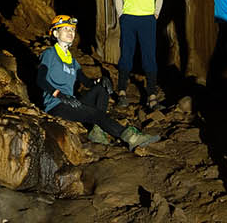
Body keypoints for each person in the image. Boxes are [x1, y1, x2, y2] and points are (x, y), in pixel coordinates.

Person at [38, 15, 159, 150]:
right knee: (96, 114)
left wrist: (99, 81)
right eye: (66, 29)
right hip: (56, 105)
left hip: (71, 102)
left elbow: (87, 83)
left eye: (72, 30)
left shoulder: (72, 61)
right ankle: (131, 138)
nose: (70, 32)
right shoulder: (49, 54)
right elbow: (40, 79)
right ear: (55, 33)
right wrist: (59, 95)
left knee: (101, 89)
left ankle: (97, 131)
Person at [112, 0, 166, 108]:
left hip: (147, 19)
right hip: (129, 17)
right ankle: (121, 91)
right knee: (126, 53)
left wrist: (156, 12)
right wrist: (121, 15)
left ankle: (151, 94)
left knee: (149, 55)